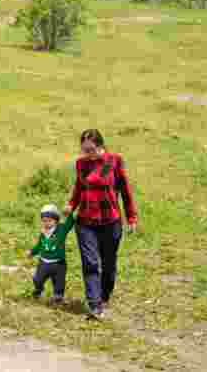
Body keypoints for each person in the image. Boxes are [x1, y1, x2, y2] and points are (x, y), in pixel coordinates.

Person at [64, 128, 137, 319]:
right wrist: (71, 205)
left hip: (110, 221)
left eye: (90, 150)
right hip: (86, 221)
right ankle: (94, 304)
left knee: (109, 263)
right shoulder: (81, 164)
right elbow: (79, 187)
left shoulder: (113, 161)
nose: (86, 154)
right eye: (83, 150)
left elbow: (125, 190)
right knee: (90, 262)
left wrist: (131, 217)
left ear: (100, 146)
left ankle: (104, 295)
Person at [26, 203, 76, 303]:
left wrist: (69, 213)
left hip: (58, 263)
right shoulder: (43, 233)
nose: (47, 223)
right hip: (44, 262)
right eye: (44, 221)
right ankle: (39, 290)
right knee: (38, 279)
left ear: (56, 220)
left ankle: (58, 296)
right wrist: (32, 252)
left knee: (59, 281)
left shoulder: (61, 229)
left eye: (50, 221)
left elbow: (70, 223)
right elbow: (40, 245)